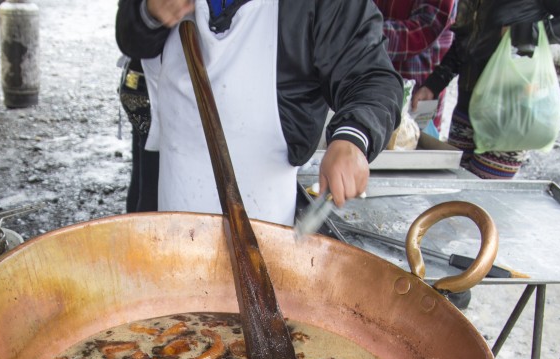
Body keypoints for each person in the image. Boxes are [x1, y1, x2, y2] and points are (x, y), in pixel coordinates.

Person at [116, 0, 402, 226]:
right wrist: (149, 14)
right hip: (175, 196)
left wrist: (353, 137)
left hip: (264, 215)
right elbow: (130, 36)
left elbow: (371, 76)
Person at [413, 0, 560, 179]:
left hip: (509, 113)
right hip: (466, 108)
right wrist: (434, 84)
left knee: (483, 200)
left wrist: (525, 32)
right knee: (450, 189)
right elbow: (465, 39)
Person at [373, 0, 457, 132]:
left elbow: (425, 28)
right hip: (369, 80)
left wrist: (365, 35)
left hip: (420, 90)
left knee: (414, 144)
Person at [119, 56, 159, 213]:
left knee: (142, 175)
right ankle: (139, 235)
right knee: (152, 184)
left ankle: (131, 232)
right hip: (150, 89)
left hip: (133, 79)